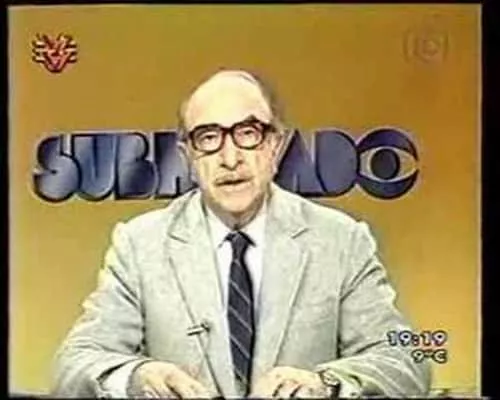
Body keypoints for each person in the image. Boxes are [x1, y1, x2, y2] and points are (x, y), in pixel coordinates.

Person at [52, 69, 431, 398]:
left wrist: (325, 384)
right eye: (208, 138)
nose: (230, 159)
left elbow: (407, 358)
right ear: (187, 155)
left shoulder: (341, 241)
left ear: (276, 146)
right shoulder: (140, 244)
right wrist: (138, 377)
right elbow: (74, 363)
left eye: (248, 133)